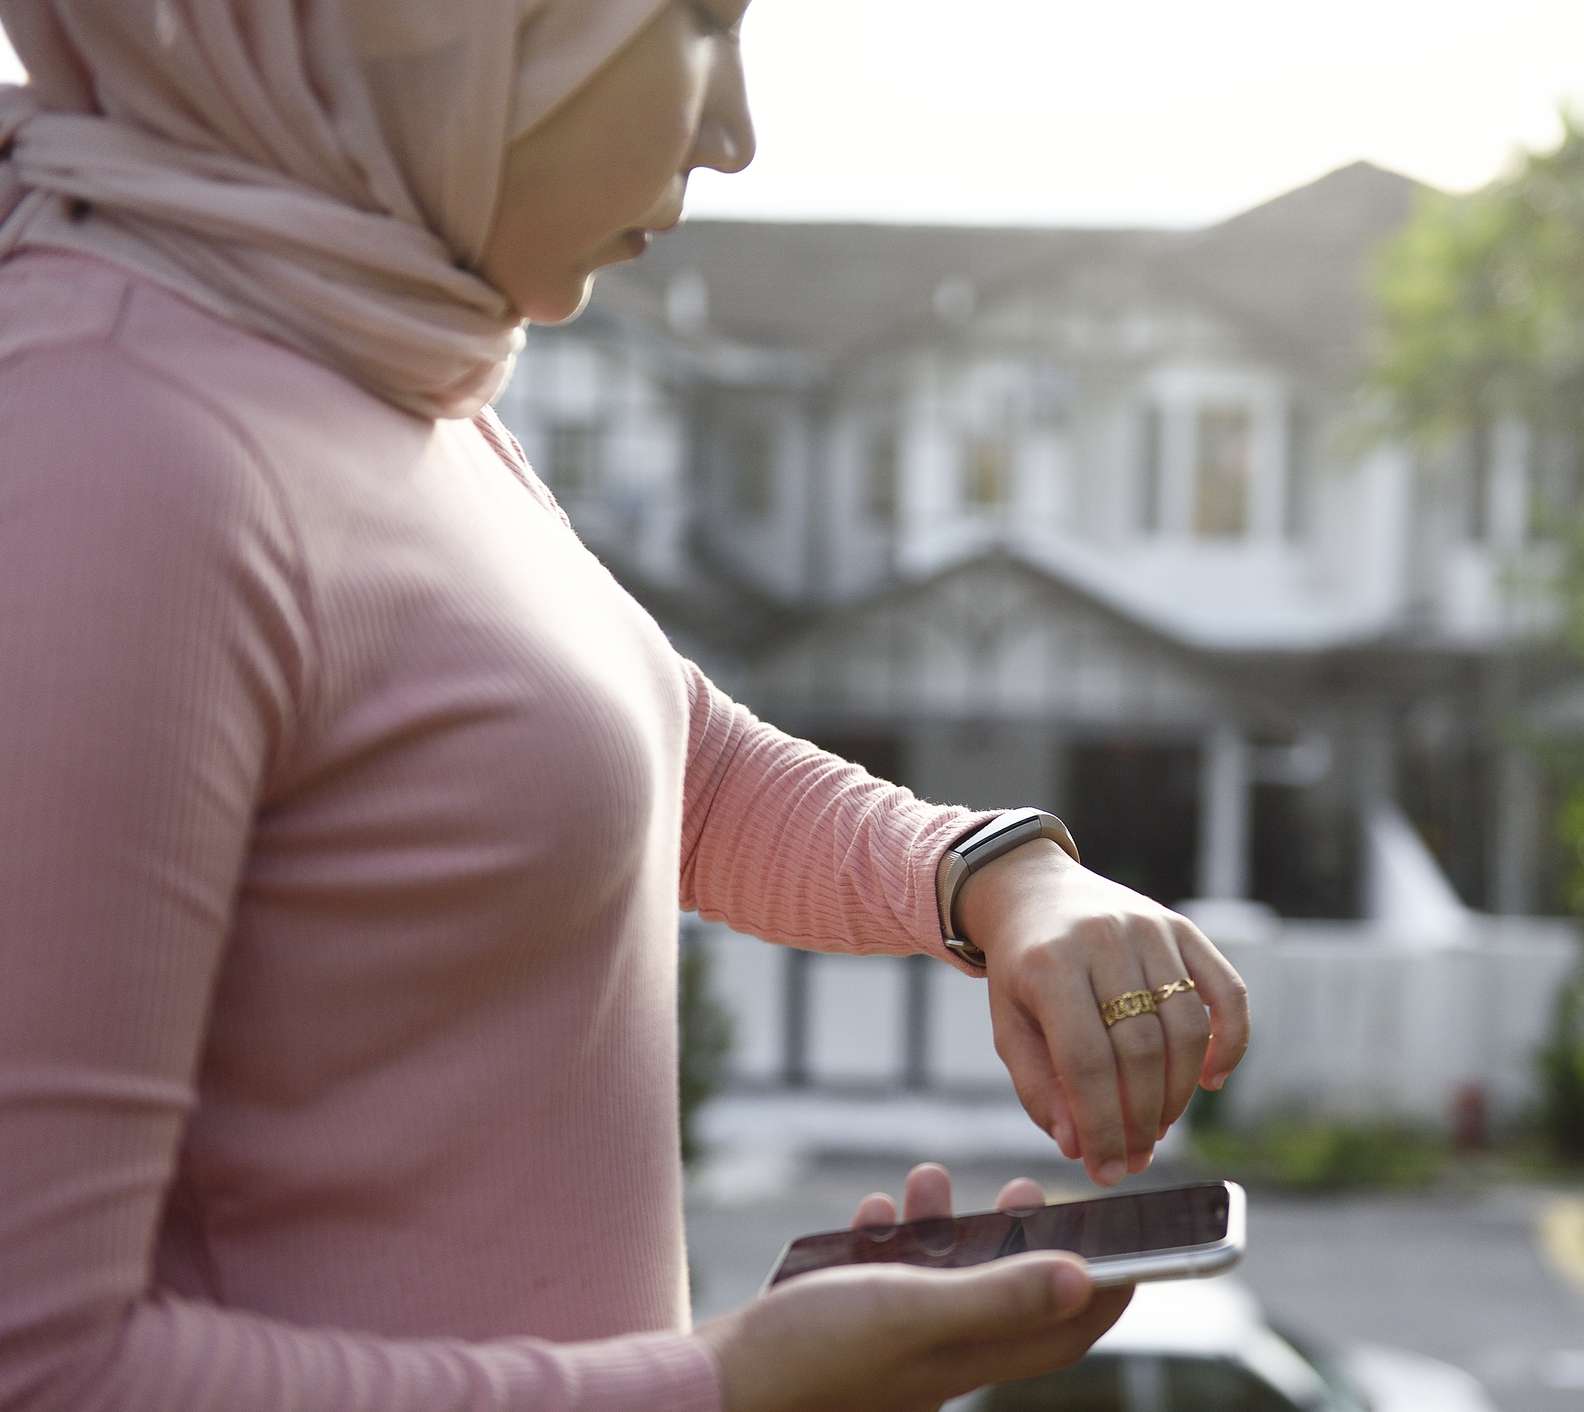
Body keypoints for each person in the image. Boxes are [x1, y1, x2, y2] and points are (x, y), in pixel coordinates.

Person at [0, 2, 1252, 1409]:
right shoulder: (113, 446)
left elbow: (672, 764)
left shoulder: (386, 375)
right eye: (699, 24)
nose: (731, 136)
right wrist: (722, 1388)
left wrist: (995, 878)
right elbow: (45, 1367)